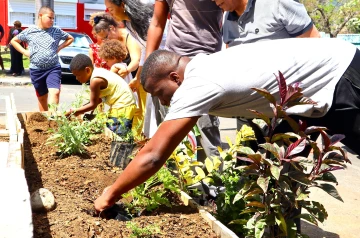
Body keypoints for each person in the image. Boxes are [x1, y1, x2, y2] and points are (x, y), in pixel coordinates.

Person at [94, 38, 360, 212]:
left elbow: (154, 156)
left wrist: (111, 193)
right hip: (313, 92)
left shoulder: (200, 83)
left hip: (343, 74)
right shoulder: (203, 65)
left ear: (175, 77)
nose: (162, 102)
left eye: (159, 93)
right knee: (277, 170)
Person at [217, 0, 321, 132]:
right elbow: (231, 53)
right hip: (247, 109)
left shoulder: (277, 3)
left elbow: (314, 44)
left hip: (285, 108)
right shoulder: (227, 16)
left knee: (283, 151)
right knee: (246, 151)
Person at [145, 0, 223, 161]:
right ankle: (175, 177)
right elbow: (157, 23)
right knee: (170, 126)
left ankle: (214, 180)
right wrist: (148, 66)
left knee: (206, 127)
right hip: (172, 63)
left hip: (206, 62)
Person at [104, 0, 167, 138]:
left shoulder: (147, 19)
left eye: (111, 8)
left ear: (122, 5)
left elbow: (159, 46)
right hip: (154, 71)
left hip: (166, 70)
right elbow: (146, 50)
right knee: (156, 115)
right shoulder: (129, 24)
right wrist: (138, 78)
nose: (110, 12)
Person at [10, 6, 74, 111]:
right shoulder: (30, 31)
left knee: (55, 93)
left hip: (53, 68)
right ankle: (45, 122)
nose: (52, 21)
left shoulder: (56, 31)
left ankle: (53, 120)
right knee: (42, 98)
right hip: (36, 70)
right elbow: (14, 41)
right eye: (50, 17)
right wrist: (25, 52)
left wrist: (59, 48)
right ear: (40, 16)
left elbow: (70, 38)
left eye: (53, 18)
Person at [67, 53, 136, 137]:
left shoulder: (96, 80)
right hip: (125, 104)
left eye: (78, 75)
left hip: (123, 106)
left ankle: (123, 149)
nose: (76, 79)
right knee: (118, 132)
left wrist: (74, 112)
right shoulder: (97, 72)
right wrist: (80, 109)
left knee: (117, 135)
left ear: (87, 70)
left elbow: (93, 105)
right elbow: (98, 100)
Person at [98, 39, 142, 138]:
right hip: (131, 102)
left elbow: (109, 81)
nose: (106, 63)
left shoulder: (115, 67)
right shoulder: (124, 66)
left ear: (113, 57)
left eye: (107, 60)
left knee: (117, 131)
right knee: (127, 128)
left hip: (123, 104)